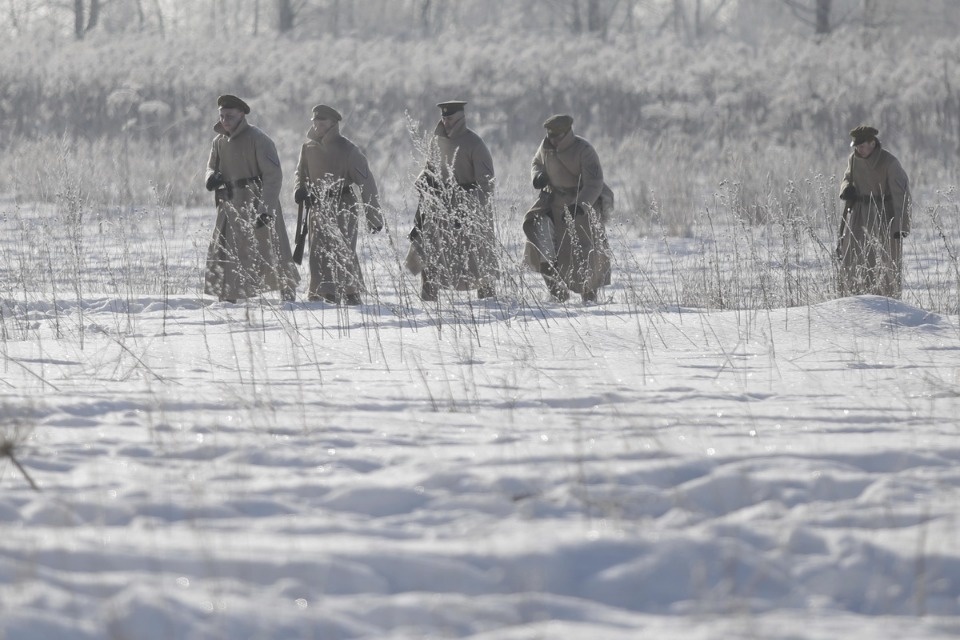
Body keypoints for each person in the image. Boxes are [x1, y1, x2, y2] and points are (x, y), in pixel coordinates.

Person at [204, 94, 299, 303]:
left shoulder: (259, 139)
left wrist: (266, 209)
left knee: (272, 249)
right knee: (227, 250)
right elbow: (211, 166)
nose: (224, 120)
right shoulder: (219, 141)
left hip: (256, 200)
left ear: (241, 115)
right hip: (230, 202)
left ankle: (288, 294)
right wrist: (211, 178)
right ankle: (228, 298)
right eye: (221, 116)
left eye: (229, 116)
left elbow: (273, 176)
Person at [405, 100, 498, 302]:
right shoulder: (436, 141)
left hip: (468, 207)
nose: (446, 122)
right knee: (429, 252)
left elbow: (487, 185)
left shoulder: (475, 144)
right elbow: (430, 169)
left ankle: (490, 303)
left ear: (461, 118)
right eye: (444, 118)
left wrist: (469, 209)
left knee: (478, 261)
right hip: (439, 206)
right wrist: (423, 182)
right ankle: (429, 303)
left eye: (450, 118)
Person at [293, 104, 383, 305]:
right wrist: (299, 189)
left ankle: (351, 293)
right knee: (317, 251)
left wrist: (374, 218)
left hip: (343, 205)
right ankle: (321, 292)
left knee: (343, 248)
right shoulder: (307, 148)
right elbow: (301, 172)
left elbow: (366, 183)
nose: (317, 125)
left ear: (333, 123)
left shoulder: (348, 149)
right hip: (317, 206)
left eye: (321, 121)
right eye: (315, 121)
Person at [522, 114, 613, 303]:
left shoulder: (584, 150)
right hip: (552, 202)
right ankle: (557, 292)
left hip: (581, 204)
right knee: (541, 240)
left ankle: (589, 298)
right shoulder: (546, 146)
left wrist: (580, 206)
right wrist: (538, 175)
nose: (553, 140)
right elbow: (536, 162)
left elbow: (594, 183)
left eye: (557, 136)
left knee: (586, 252)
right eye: (550, 135)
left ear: (567, 133)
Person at [837, 125, 911, 298]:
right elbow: (847, 178)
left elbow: (902, 195)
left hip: (882, 217)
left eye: (862, 146)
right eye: (856, 146)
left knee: (884, 261)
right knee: (852, 258)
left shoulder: (889, 162)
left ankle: (885, 302)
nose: (859, 150)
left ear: (872, 143)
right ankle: (853, 299)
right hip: (859, 216)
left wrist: (901, 226)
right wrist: (846, 188)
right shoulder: (853, 159)